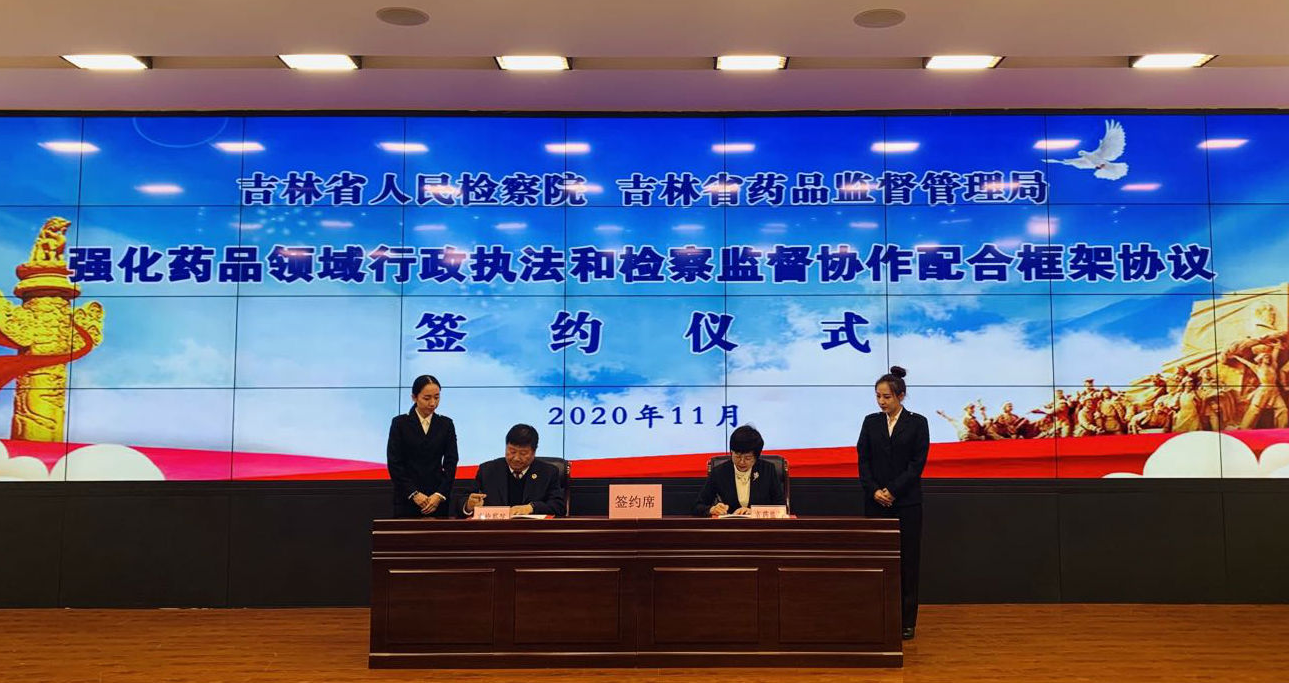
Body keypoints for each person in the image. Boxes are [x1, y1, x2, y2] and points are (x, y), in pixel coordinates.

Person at [856, 365, 929, 641]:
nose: (881, 401)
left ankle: (906, 621)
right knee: (876, 561)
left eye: (886, 396)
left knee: (907, 562)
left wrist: (892, 491)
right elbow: (863, 460)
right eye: (878, 396)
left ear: (900, 396)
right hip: (875, 503)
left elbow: (916, 465)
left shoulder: (917, 423)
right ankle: (877, 616)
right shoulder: (870, 422)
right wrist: (875, 490)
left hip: (906, 503)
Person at [386, 375, 459, 518]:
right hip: (406, 499)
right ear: (414, 397)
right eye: (427, 398)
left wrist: (439, 494)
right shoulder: (400, 423)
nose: (433, 403)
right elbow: (394, 463)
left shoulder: (446, 424)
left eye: (437, 397)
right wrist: (413, 494)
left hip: (437, 500)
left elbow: (451, 461)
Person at [459, 423, 565, 517]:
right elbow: (461, 502)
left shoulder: (548, 473)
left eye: (523, 453)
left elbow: (559, 507)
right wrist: (468, 505)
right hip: (495, 530)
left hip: (533, 531)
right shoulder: (488, 470)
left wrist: (532, 507)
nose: (516, 458)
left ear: (534, 452)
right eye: (512, 451)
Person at [692, 425, 786, 516]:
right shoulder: (719, 472)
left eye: (748, 458)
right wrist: (712, 509)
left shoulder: (768, 470)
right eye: (737, 456)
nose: (741, 462)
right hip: (730, 525)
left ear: (756, 457)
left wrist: (754, 512)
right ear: (731, 452)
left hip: (760, 525)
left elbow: (782, 507)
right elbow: (697, 506)